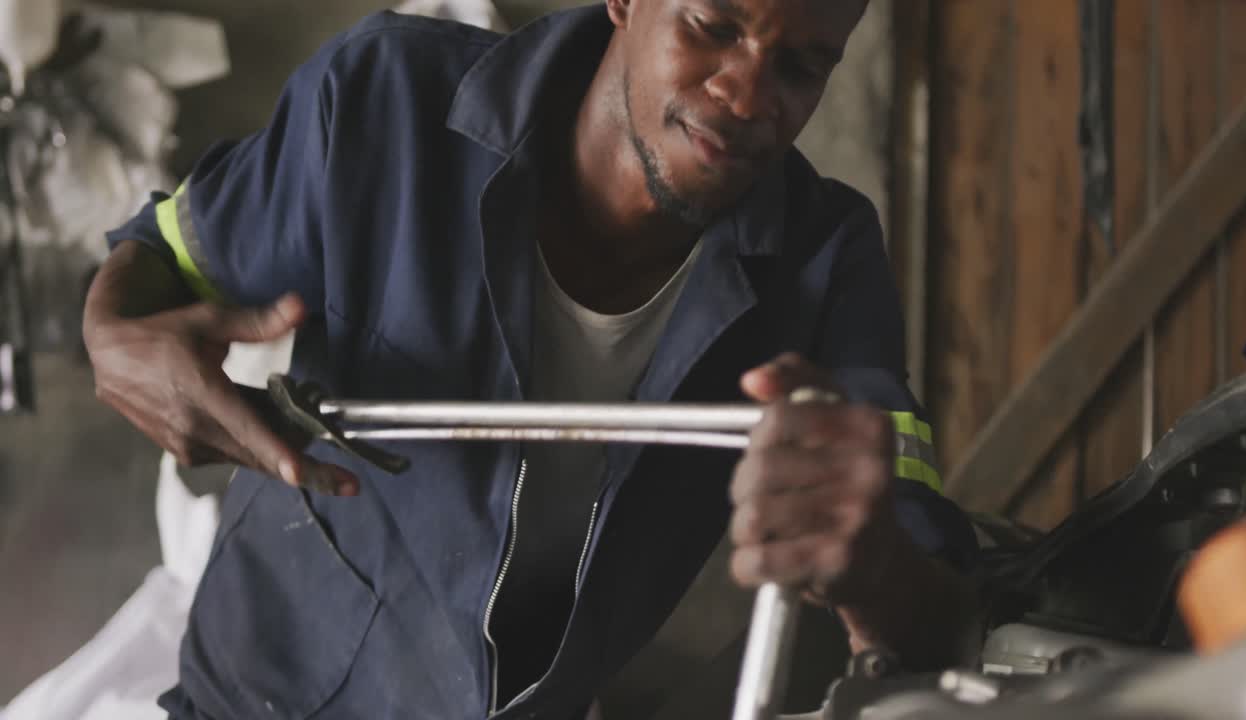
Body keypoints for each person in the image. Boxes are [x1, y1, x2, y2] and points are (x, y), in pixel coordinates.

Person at [83, 1, 979, 717]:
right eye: (715, 27)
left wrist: (867, 560)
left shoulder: (827, 262)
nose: (747, 97)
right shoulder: (378, 103)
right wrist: (112, 329)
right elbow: (162, 253)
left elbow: (942, 621)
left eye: (800, 67)